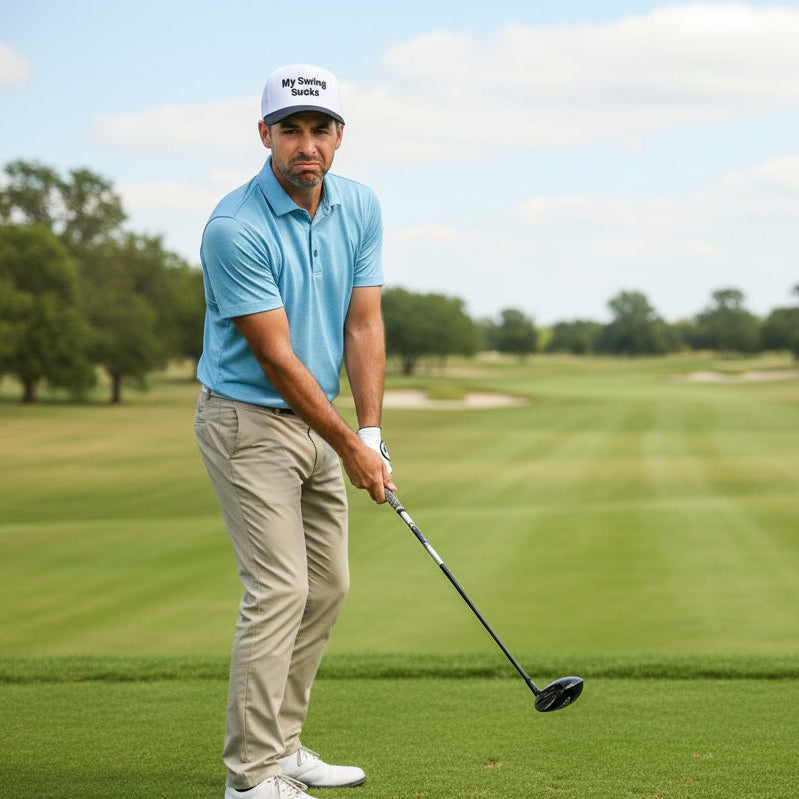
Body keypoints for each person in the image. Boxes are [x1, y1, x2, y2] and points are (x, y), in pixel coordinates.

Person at [194, 63, 396, 799]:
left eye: (319, 129)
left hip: (321, 422)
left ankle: (281, 746)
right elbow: (277, 359)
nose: (305, 145)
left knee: (328, 587)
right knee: (279, 589)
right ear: (265, 135)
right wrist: (349, 446)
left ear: (339, 136)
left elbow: (362, 322)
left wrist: (369, 432)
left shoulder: (359, 205)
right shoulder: (234, 229)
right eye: (290, 130)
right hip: (247, 421)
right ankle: (251, 779)